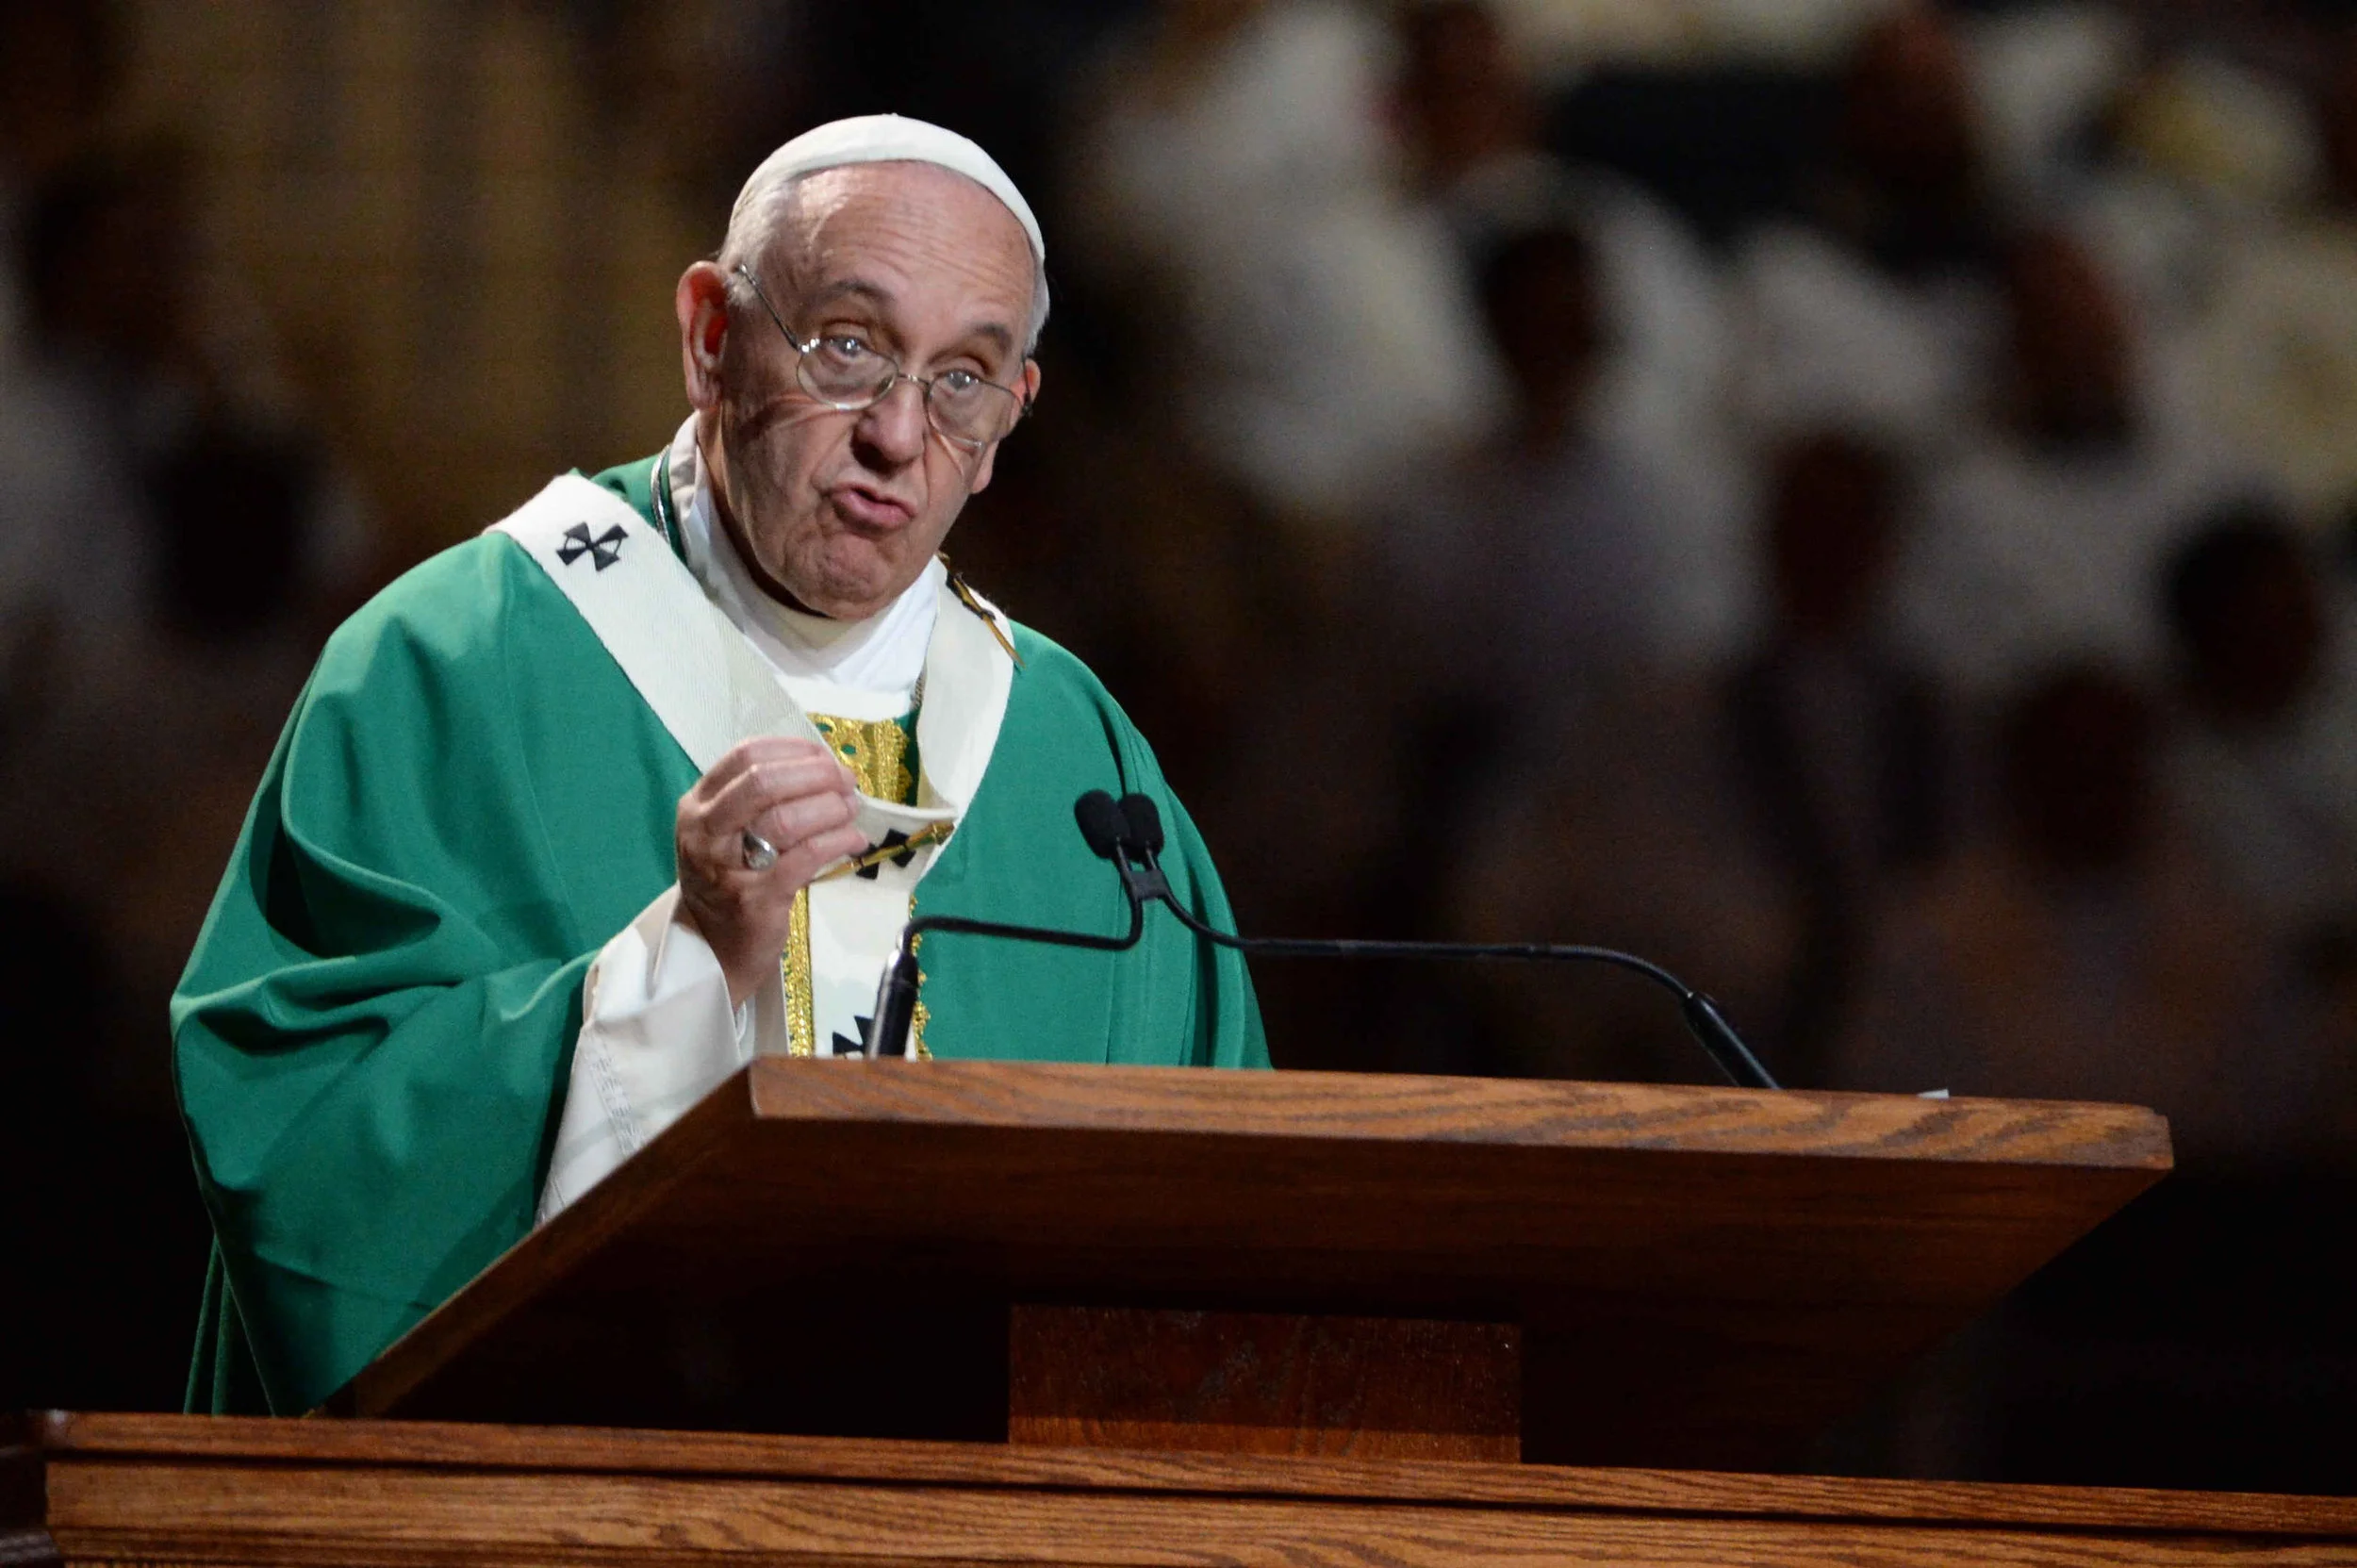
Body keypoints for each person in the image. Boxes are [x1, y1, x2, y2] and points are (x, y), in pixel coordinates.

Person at [172, 116, 1269, 1419]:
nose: (898, 437)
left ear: (1017, 409)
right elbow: (308, 1140)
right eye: (850, 347)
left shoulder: (1077, 756)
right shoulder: (455, 661)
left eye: (964, 377)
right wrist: (680, 971)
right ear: (710, 333)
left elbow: (1226, 1216)